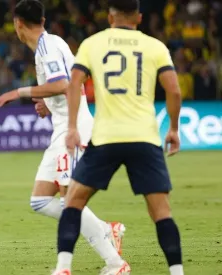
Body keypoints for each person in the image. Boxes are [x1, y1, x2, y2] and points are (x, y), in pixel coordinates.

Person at [0, 1, 130, 274]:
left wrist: (18, 92)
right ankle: (105, 229)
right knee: (40, 201)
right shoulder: (51, 44)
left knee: (71, 200)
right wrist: (49, 102)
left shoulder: (48, 47)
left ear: (18, 23)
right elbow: (66, 84)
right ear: (42, 19)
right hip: (62, 126)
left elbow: (63, 83)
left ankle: (115, 264)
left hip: (72, 128)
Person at [55, 0, 183, 274]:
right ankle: (177, 272)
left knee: (73, 202)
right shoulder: (155, 46)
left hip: (106, 137)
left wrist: (73, 127)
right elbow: (173, 90)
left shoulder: (92, 44)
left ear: (110, 16)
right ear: (138, 17)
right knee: (162, 213)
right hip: (145, 138)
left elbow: (74, 83)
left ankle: (63, 268)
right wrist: (173, 128)